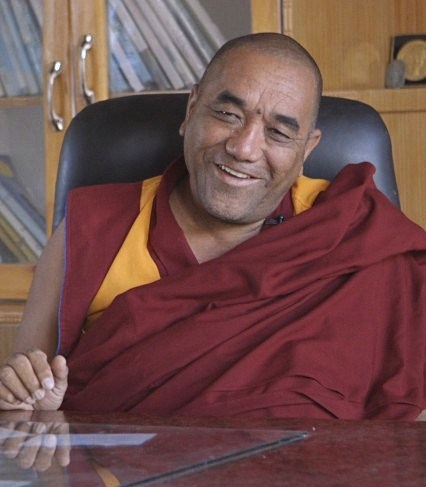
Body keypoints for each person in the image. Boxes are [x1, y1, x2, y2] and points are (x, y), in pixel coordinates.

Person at [0, 33, 425, 420]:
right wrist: (36, 408)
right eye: (227, 114)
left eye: (279, 133)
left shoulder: (354, 231)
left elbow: (409, 420)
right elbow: (22, 407)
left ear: (307, 150)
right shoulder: (94, 229)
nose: (244, 148)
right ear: (191, 111)